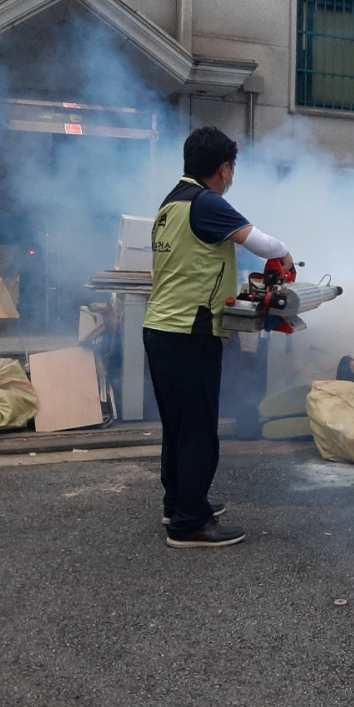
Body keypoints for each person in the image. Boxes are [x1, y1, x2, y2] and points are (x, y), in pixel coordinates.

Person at [143, 127, 294, 548]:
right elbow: (264, 243)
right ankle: (190, 523)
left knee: (177, 425)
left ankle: (178, 503)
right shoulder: (208, 203)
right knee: (199, 428)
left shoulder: (170, 203)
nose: (231, 178)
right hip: (191, 331)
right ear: (224, 169)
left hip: (159, 328)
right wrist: (284, 256)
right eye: (232, 170)